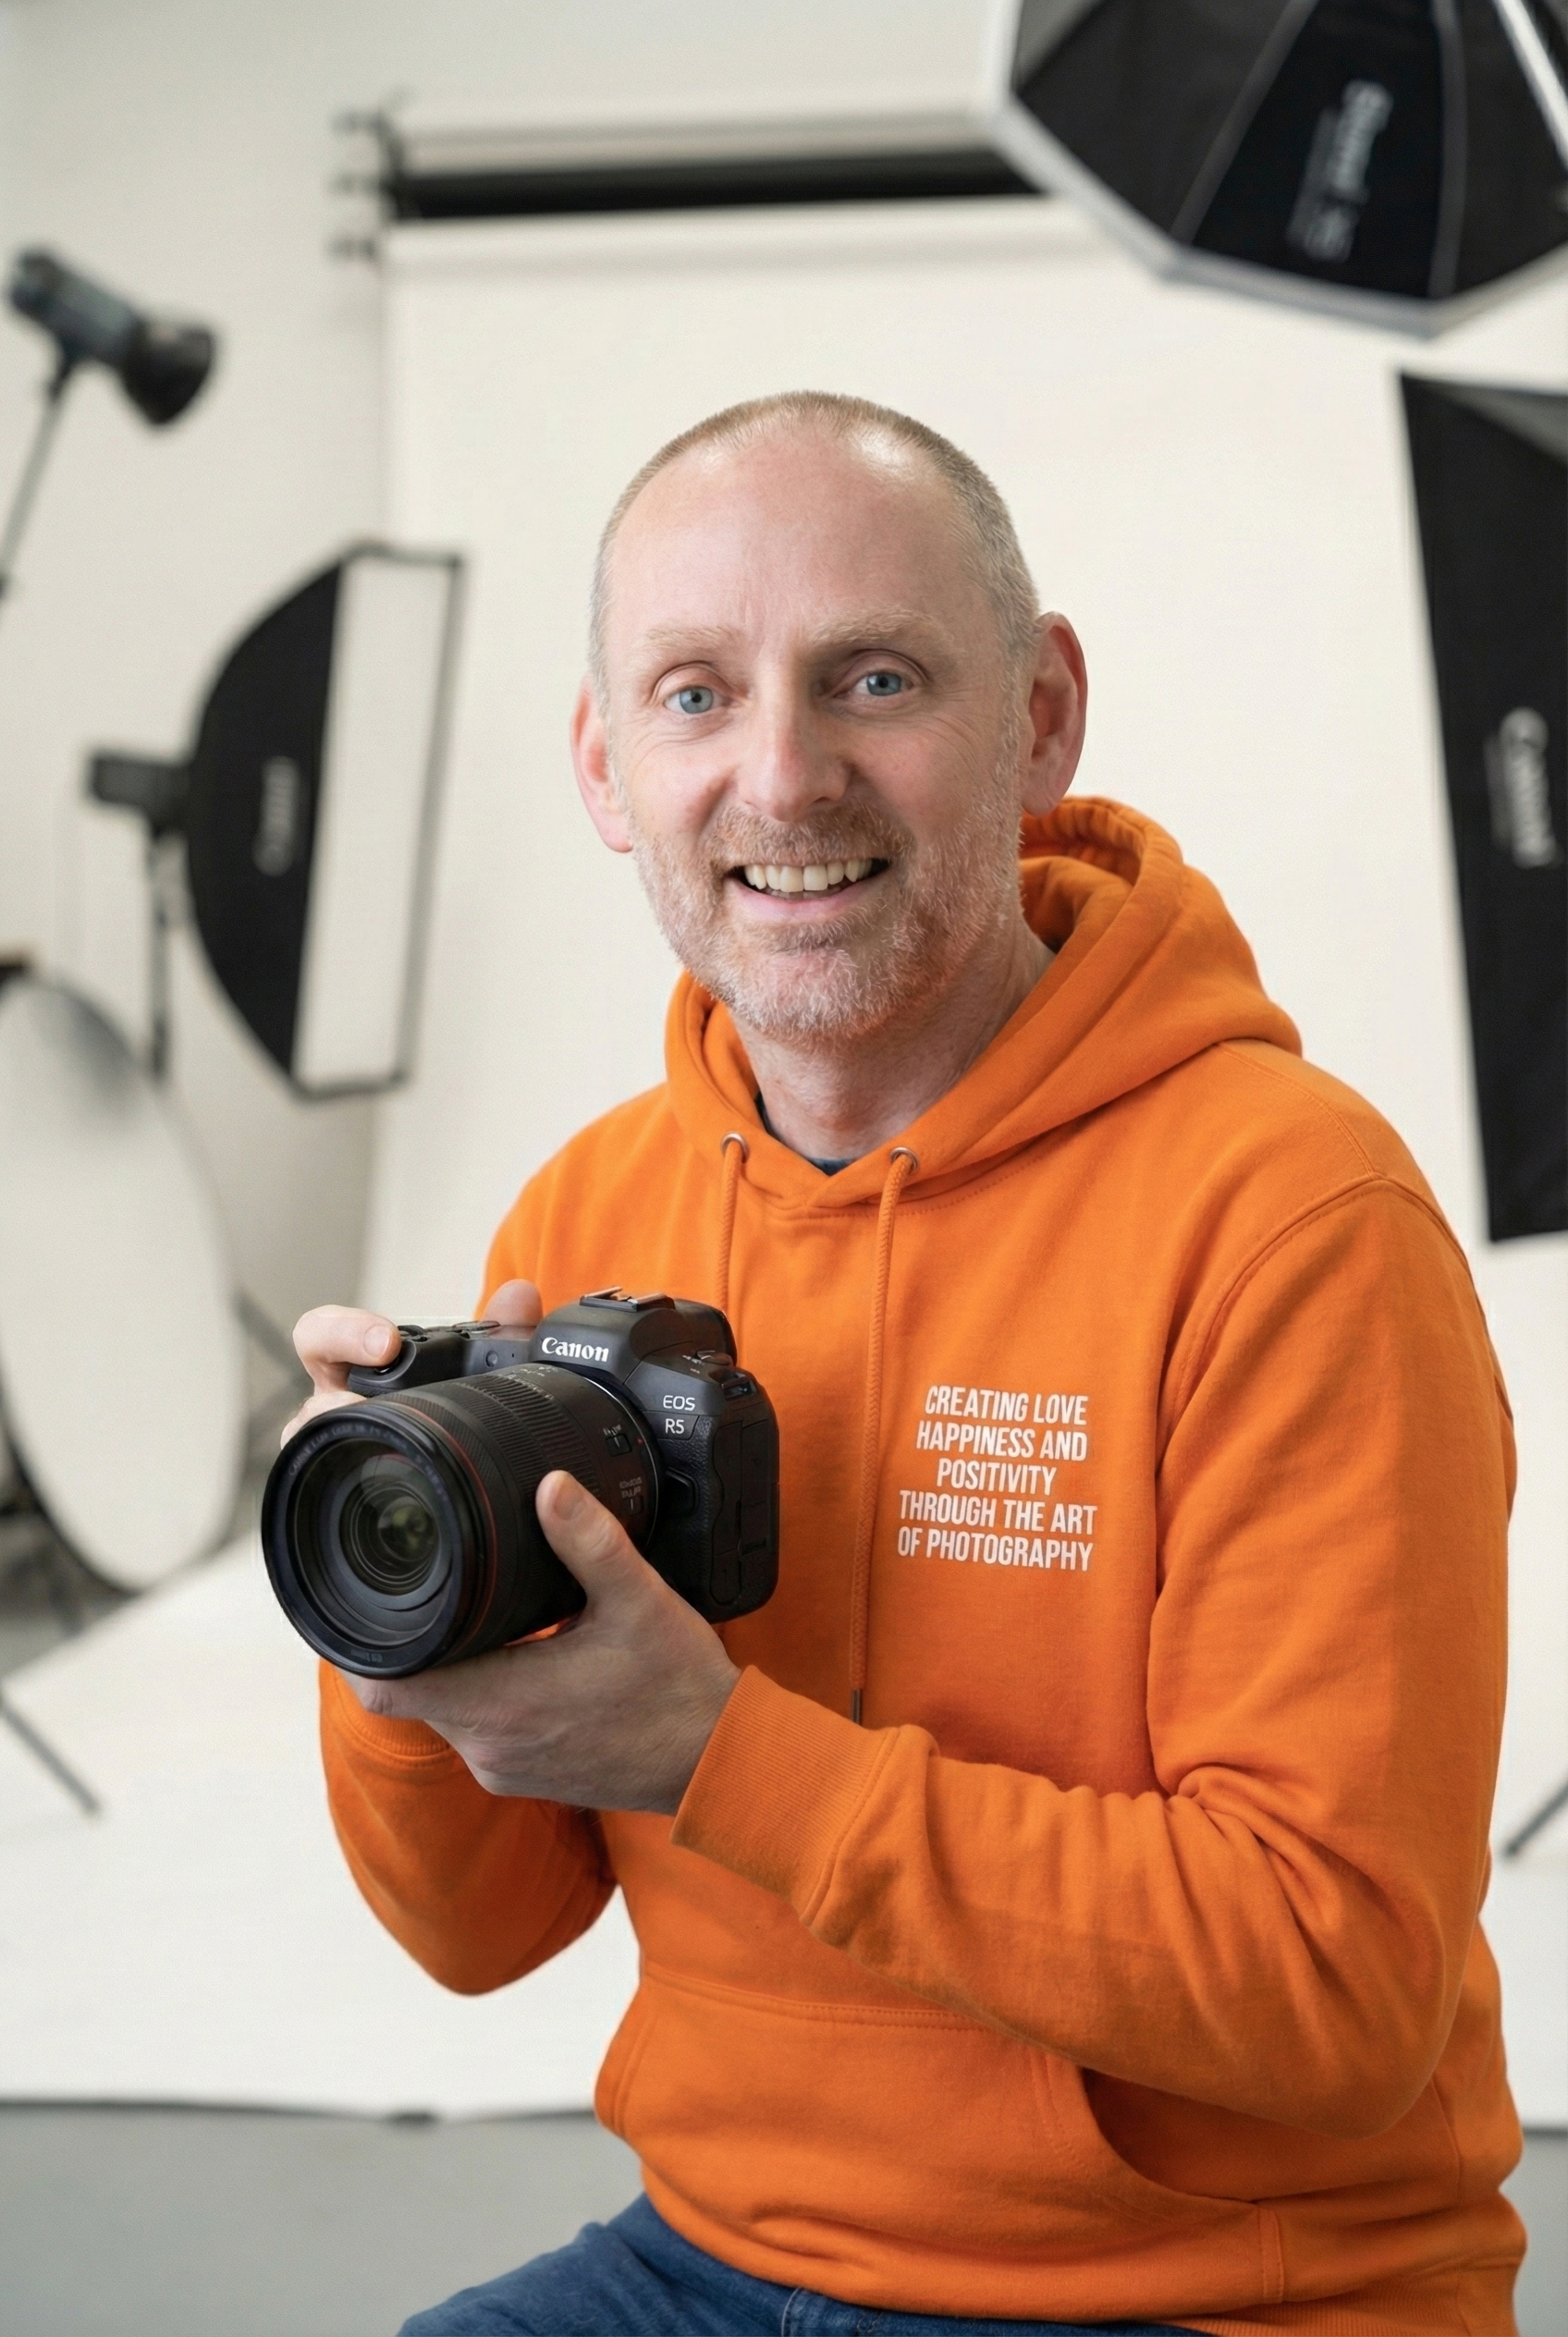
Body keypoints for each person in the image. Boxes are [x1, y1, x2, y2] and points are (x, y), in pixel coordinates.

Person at [289, 393, 1524, 2336]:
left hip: (1214, 2293)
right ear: (606, 765)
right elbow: (473, 1934)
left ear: (1041, 716)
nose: (783, 777)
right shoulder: (588, 1217)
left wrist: (725, 1756)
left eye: (873, 677)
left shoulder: (1293, 1220)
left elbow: (1334, 1987)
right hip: (710, 2258)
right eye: (695, 695)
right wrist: (394, 1639)